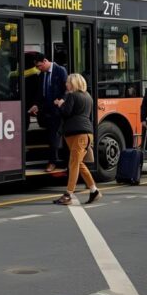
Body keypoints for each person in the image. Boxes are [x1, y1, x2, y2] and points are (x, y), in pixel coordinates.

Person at [52, 73, 101, 205]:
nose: (66, 84)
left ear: (73, 83)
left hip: (77, 134)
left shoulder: (72, 96)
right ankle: (94, 190)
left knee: (73, 163)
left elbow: (66, 112)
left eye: (68, 82)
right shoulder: (88, 96)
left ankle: (68, 194)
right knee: (78, 163)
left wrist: (60, 104)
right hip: (83, 133)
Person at [27, 52, 68, 172]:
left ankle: (53, 162)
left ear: (45, 61)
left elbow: (66, 89)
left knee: (54, 136)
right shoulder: (42, 75)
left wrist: (61, 100)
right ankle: (54, 159)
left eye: (39, 65)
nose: (38, 68)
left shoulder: (60, 70)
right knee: (50, 136)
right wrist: (36, 105)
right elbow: (41, 93)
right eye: (37, 67)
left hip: (57, 110)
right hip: (46, 110)